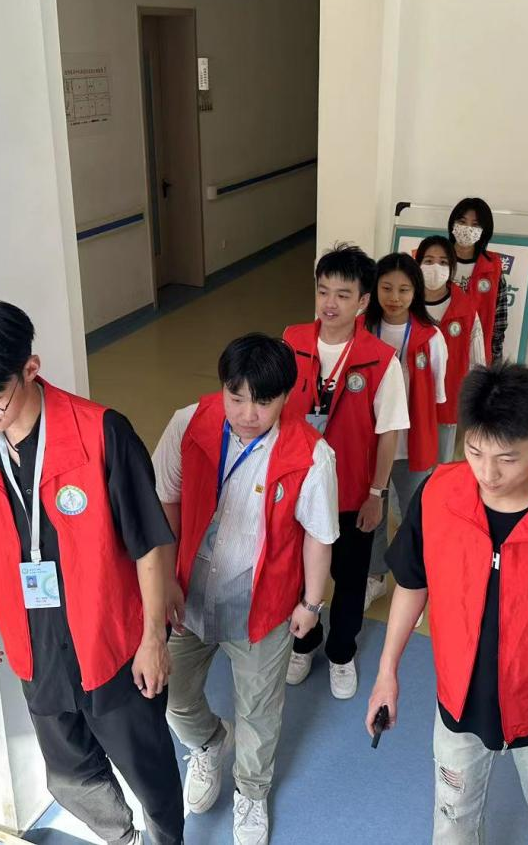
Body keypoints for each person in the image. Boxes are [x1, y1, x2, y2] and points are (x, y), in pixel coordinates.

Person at [0, 301, 184, 845]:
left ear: (30, 369)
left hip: (110, 641)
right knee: (68, 775)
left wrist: (153, 639)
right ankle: (122, 838)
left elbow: (149, 545)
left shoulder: (101, 433)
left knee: (149, 770)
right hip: (35, 641)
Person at [366, 363, 528, 845]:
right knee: (452, 817)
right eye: (475, 451)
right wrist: (386, 673)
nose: (488, 473)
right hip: (458, 704)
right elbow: (412, 584)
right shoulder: (437, 494)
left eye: (507, 458)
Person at [152, 334, 339, 845]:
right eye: (236, 398)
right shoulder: (188, 423)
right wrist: (164, 579)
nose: (247, 414)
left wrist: (312, 603)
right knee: (172, 695)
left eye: (263, 401)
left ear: (286, 396)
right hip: (189, 594)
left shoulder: (312, 455)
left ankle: (251, 792)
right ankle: (209, 743)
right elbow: (166, 501)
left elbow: (319, 537)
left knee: (258, 712)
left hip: (263, 606)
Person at [280, 243, 409, 699]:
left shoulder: (380, 358)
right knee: (296, 575)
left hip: (353, 493)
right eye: (322, 292)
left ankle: (340, 653)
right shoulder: (292, 341)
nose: (330, 304)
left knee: (350, 580)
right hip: (297, 489)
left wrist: (377, 494)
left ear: (363, 301)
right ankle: (304, 643)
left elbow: (389, 433)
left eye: (342, 294)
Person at [362, 253, 447, 613]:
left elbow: (438, 397)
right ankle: (375, 576)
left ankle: (415, 584)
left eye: (403, 289)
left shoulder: (431, 337)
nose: (394, 297)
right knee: (373, 515)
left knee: (416, 517)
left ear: (416, 292)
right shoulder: (362, 330)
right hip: (372, 443)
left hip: (412, 445)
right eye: (386, 288)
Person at [416, 234, 486, 464]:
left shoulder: (465, 310)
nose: (435, 267)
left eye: (443, 262)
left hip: (448, 403)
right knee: (407, 466)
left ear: (452, 267)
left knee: (442, 464)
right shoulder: (405, 304)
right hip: (409, 401)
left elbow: (477, 364)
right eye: (428, 261)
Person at [449, 197, 508, 363]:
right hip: (440, 348)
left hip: (477, 354)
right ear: (452, 224)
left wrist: (494, 363)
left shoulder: (493, 268)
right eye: (462, 222)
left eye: (475, 225)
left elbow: (499, 322)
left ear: (484, 231)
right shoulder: (437, 260)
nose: (467, 228)